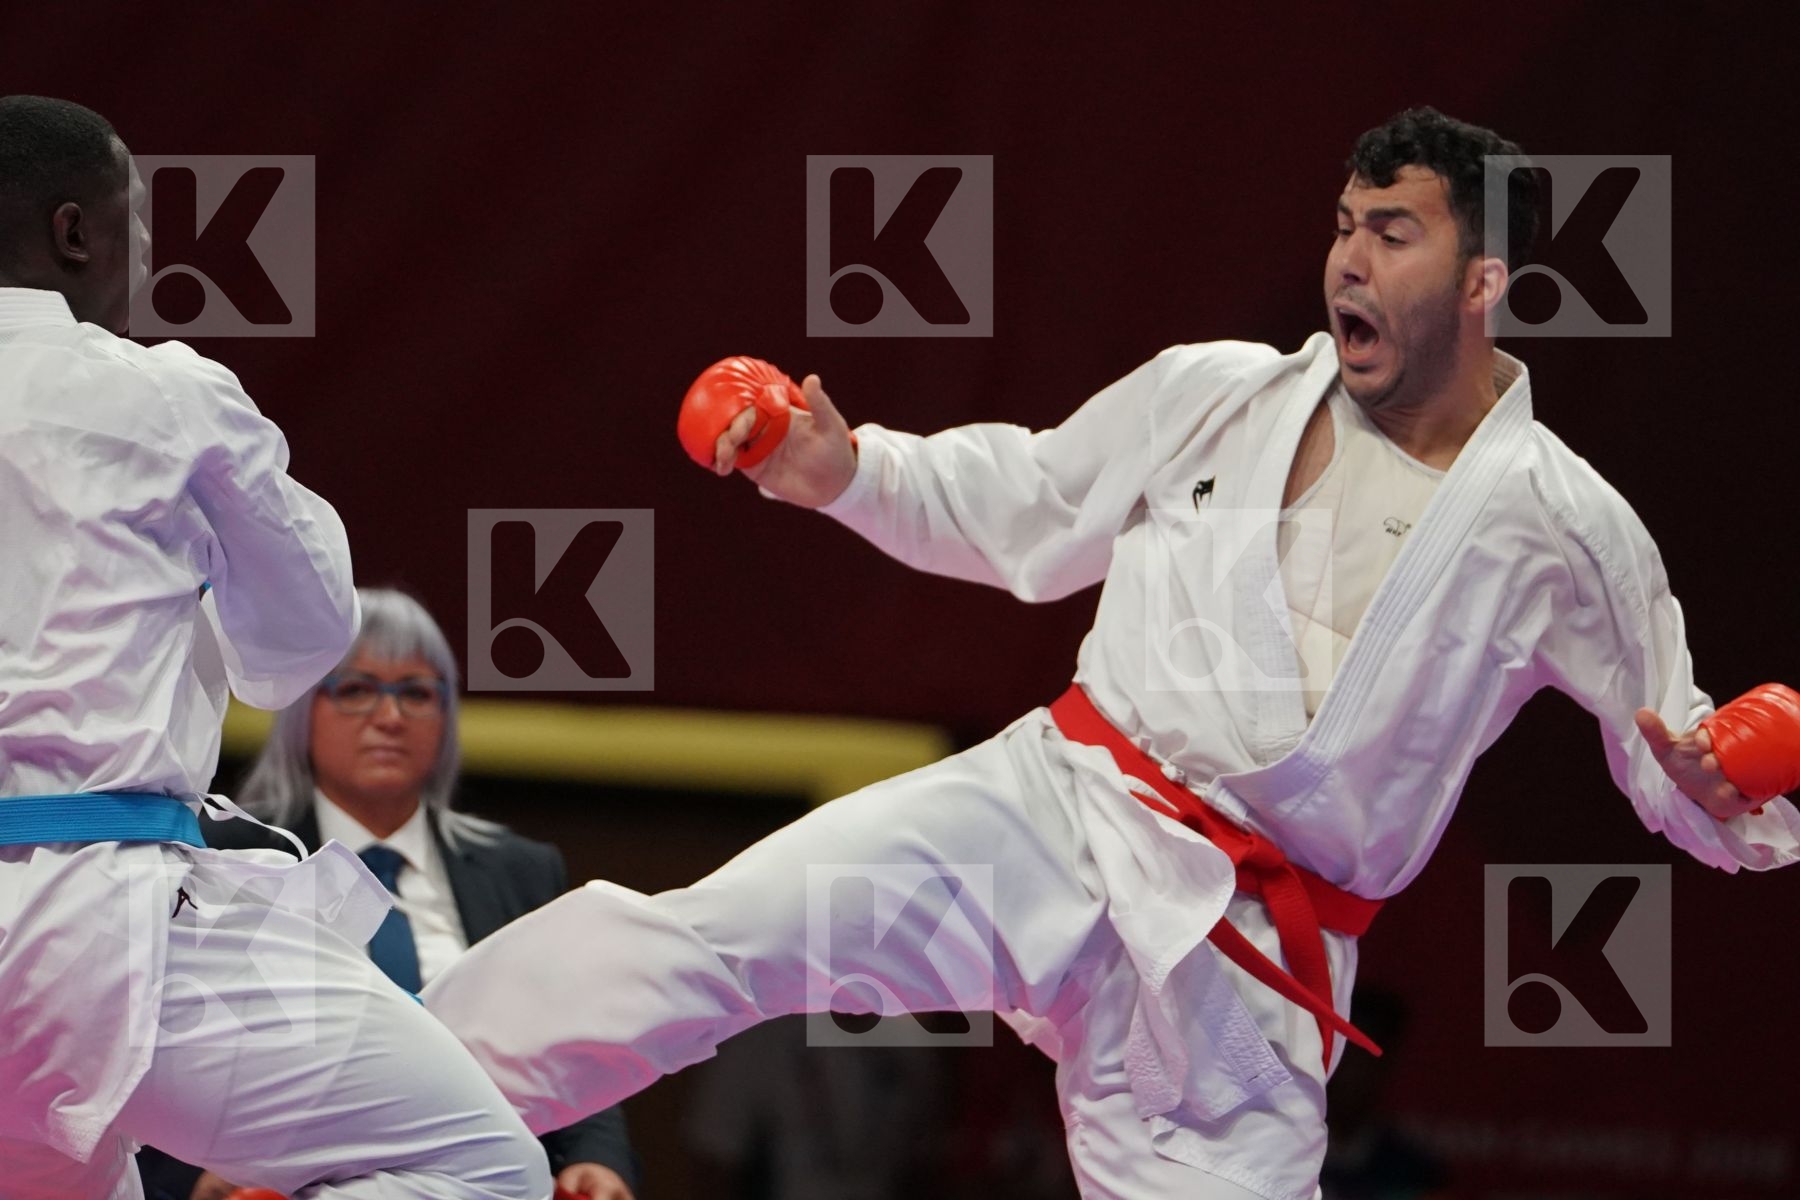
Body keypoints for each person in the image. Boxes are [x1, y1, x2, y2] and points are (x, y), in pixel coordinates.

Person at [422, 107, 1800, 1200]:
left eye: (1393, 233)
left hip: (1246, 959)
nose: (1349, 262)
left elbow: (1667, 762)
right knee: (713, 936)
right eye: (1343, 226)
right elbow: (1019, 503)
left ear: (1487, 277)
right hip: (1055, 812)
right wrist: (840, 466)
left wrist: (1723, 785)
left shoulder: (1564, 530)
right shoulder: (1220, 392)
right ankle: (364, 1113)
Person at [0, 96, 550, 1199]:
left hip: (91, 923)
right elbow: (298, 643)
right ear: (77, 234)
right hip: (93, 925)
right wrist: (191, 587)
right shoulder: (162, 397)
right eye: (137, 229)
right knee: (482, 1171)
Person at [137, 588, 642, 1200]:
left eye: (416, 692)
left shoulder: (522, 871)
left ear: (448, 717)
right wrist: (198, 1177)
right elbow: (164, 1053)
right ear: (301, 710)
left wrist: (597, 1162)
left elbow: (574, 1041)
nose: (390, 716)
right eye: (355, 689)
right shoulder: (228, 859)